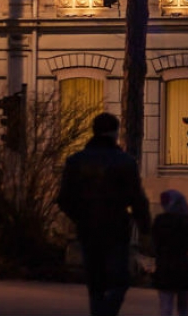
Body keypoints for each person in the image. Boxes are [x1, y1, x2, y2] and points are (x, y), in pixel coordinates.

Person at [57, 112, 151, 316]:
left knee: (95, 282)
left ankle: (99, 311)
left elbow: (64, 198)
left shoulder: (76, 161)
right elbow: (136, 197)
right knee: (120, 279)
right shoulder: (124, 161)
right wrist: (145, 227)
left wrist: (80, 216)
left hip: (88, 228)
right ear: (115, 133)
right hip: (116, 226)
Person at [151, 189, 188, 316]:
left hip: (164, 266)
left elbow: (152, 242)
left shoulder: (159, 220)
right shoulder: (185, 221)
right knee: (183, 306)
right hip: (182, 266)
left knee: (165, 305)